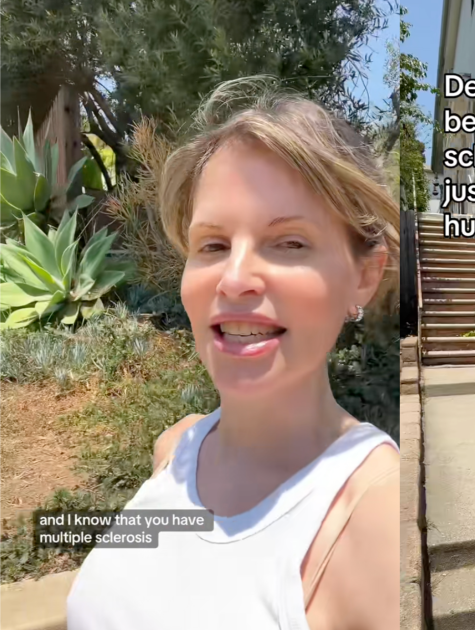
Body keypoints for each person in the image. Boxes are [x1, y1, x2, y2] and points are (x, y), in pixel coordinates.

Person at [66, 76, 404, 629]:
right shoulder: (175, 451)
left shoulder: (369, 515)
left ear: (364, 276)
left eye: (289, 242)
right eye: (214, 246)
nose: (235, 278)